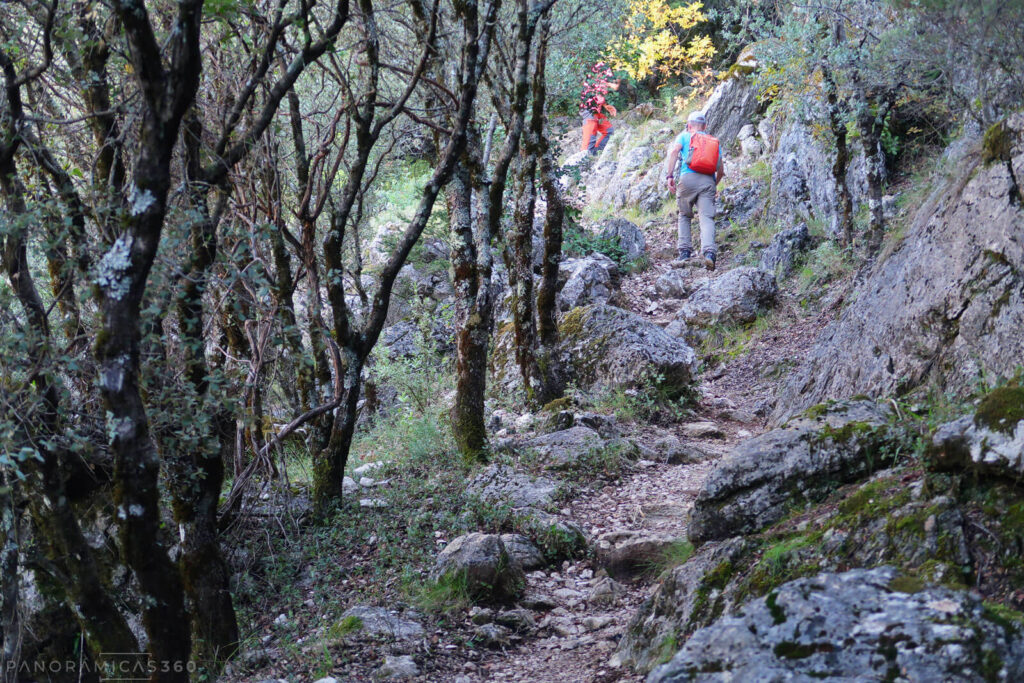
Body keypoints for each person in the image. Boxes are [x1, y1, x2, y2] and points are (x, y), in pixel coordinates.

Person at [664, 111, 725, 270]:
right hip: (707, 182)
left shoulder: (684, 136)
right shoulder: (713, 142)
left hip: (687, 180)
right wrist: (713, 184)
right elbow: (721, 170)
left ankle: (685, 252)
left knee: (684, 214)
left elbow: (674, 152)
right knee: (706, 218)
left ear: (689, 125)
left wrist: (669, 176)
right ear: (705, 126)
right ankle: (709, 254)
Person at [580, 62, 621, 155]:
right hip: (588, 110)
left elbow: (600, 90)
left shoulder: (606, 67)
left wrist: (605, 105)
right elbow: (596, 86)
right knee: (588, 145)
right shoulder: (602, 66)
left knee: (609, 132)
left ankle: (596, 155)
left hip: (595, 109)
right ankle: (584, 161)